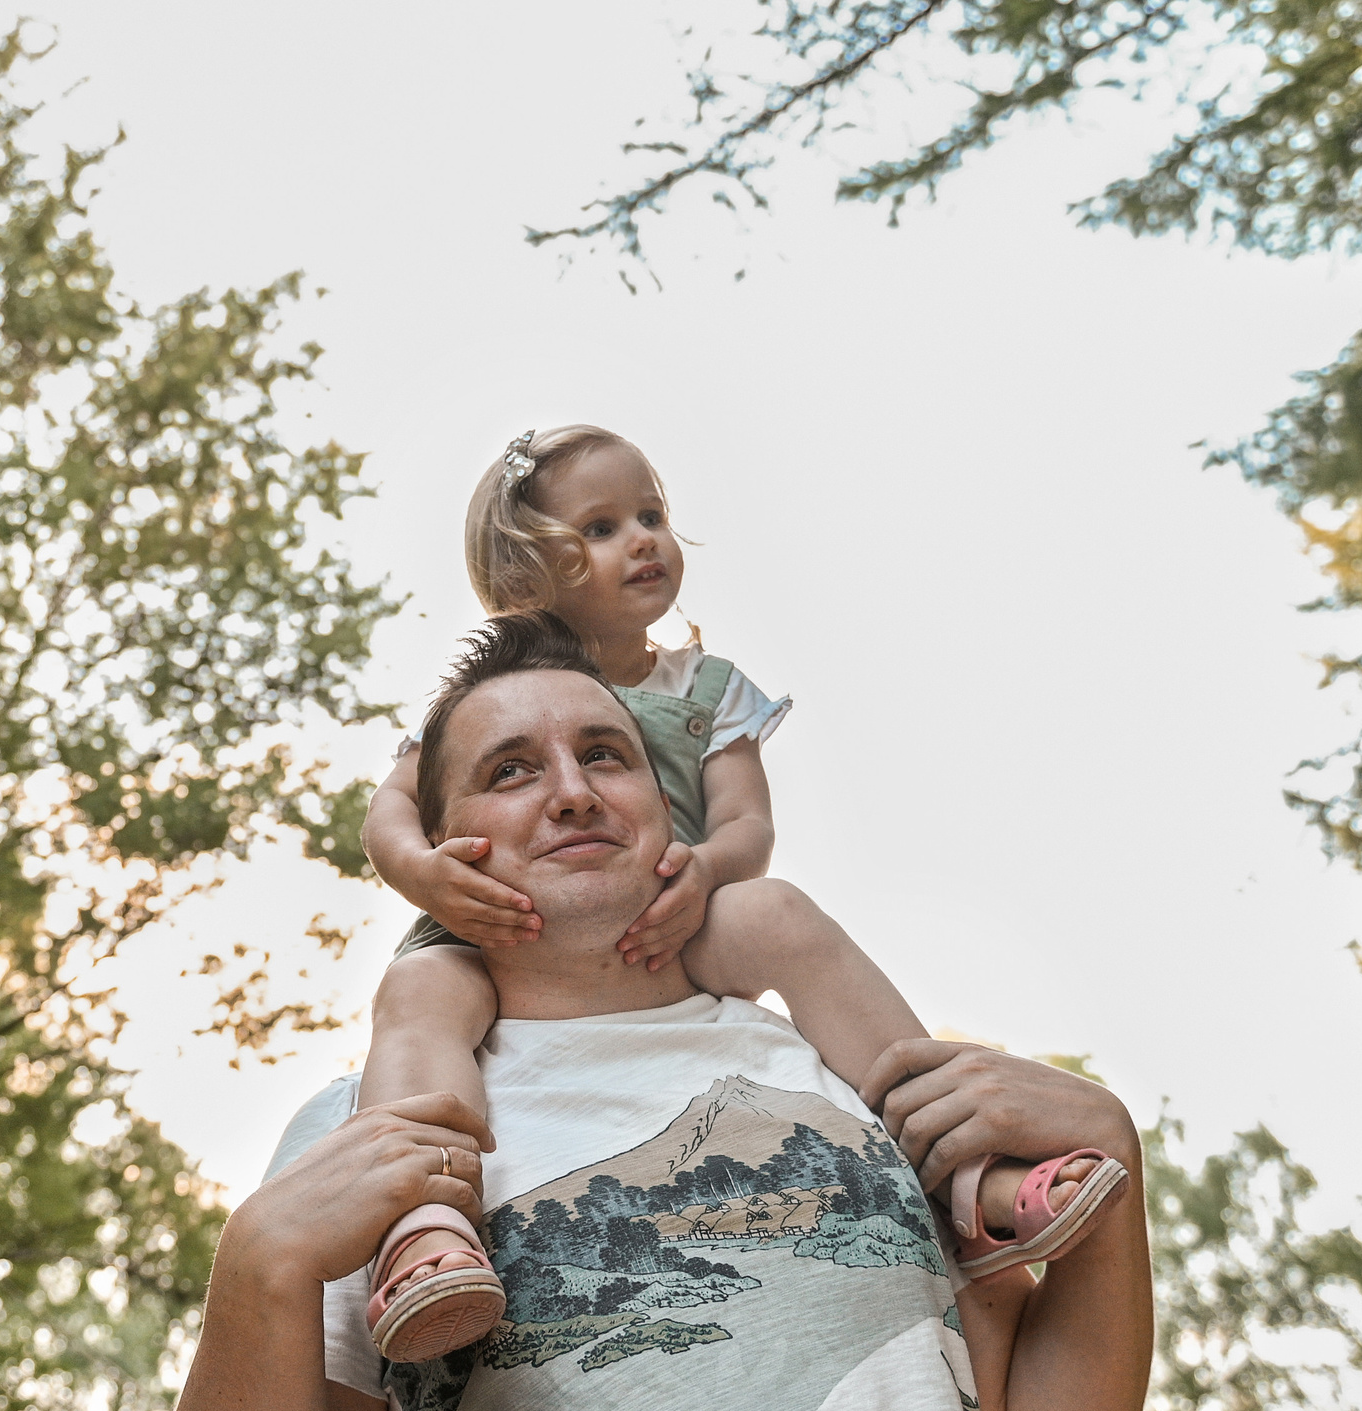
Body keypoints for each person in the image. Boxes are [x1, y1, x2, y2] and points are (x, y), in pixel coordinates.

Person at [143, 614, 1154, 1411]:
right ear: (441, 852)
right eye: (511, 769)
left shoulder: (847, 1085)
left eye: (606, 755)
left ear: (663, 810)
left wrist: (1112, 1179)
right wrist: (255, 1274)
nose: (572, 791)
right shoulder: (369, 1136)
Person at [354, 427, 1123, 1361]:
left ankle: (964, 1166)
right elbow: (388, 813)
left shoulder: (707, 688)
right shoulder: (490, 699)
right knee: (422, 995)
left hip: (673, 907)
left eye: (653, 515)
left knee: (782, 913)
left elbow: (747, 827)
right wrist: (424, 871)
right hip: (500, 925)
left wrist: (707, 872)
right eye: (601, 527)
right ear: (529, 573)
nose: (643, 539)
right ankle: (423, 1227)